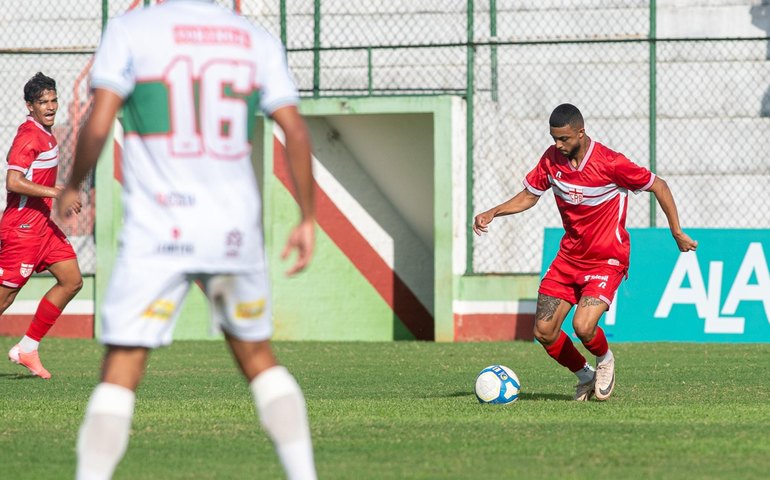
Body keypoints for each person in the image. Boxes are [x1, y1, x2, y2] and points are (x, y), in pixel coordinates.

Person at [57, 1, 317, 478]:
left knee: (123, 365)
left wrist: (73, 184)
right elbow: (296, 130)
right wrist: (307, 216)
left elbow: (99, 122)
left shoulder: (130, 29)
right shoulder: (255, 38)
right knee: (258, 358)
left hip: (159, 229)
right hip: (232, 231)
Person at [473, 104, 697, 401]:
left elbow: (660, 186)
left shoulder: (611, 163)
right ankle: (585, 375)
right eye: (554, 138)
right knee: (544, 331)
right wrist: (494, 211)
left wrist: (676, 231)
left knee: (583, 326)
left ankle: (605, 361)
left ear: (581, 132)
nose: (557, 144)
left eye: (563, 138)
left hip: (607, 259)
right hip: (569, 258)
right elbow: (530, 195)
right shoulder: (551, 160)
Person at [3, 72, 83, 379]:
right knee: (5, 298)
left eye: (53, 100)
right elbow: (13, 181)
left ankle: (28, 348)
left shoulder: (44, 132)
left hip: (43, 228)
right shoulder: (29, 135)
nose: (50, 107)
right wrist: (56, 192)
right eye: (42, 102)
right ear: (30, 105)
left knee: (72, 280)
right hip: (22, 229)